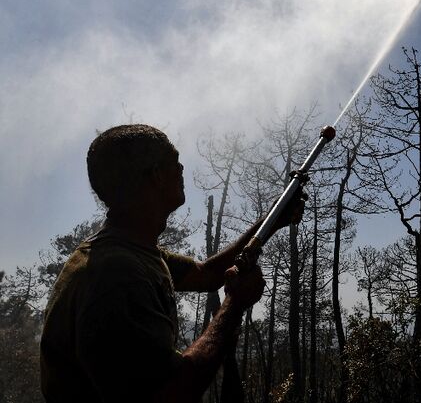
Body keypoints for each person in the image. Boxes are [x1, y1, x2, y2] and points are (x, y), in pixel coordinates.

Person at [40, 124, 305, 403]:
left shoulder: (132, 250)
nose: (181, 170)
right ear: (156, 175)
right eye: (174, 162)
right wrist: (234, 305)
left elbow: (206, 274)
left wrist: (273, 220)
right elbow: (171, 393)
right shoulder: (117, 275)